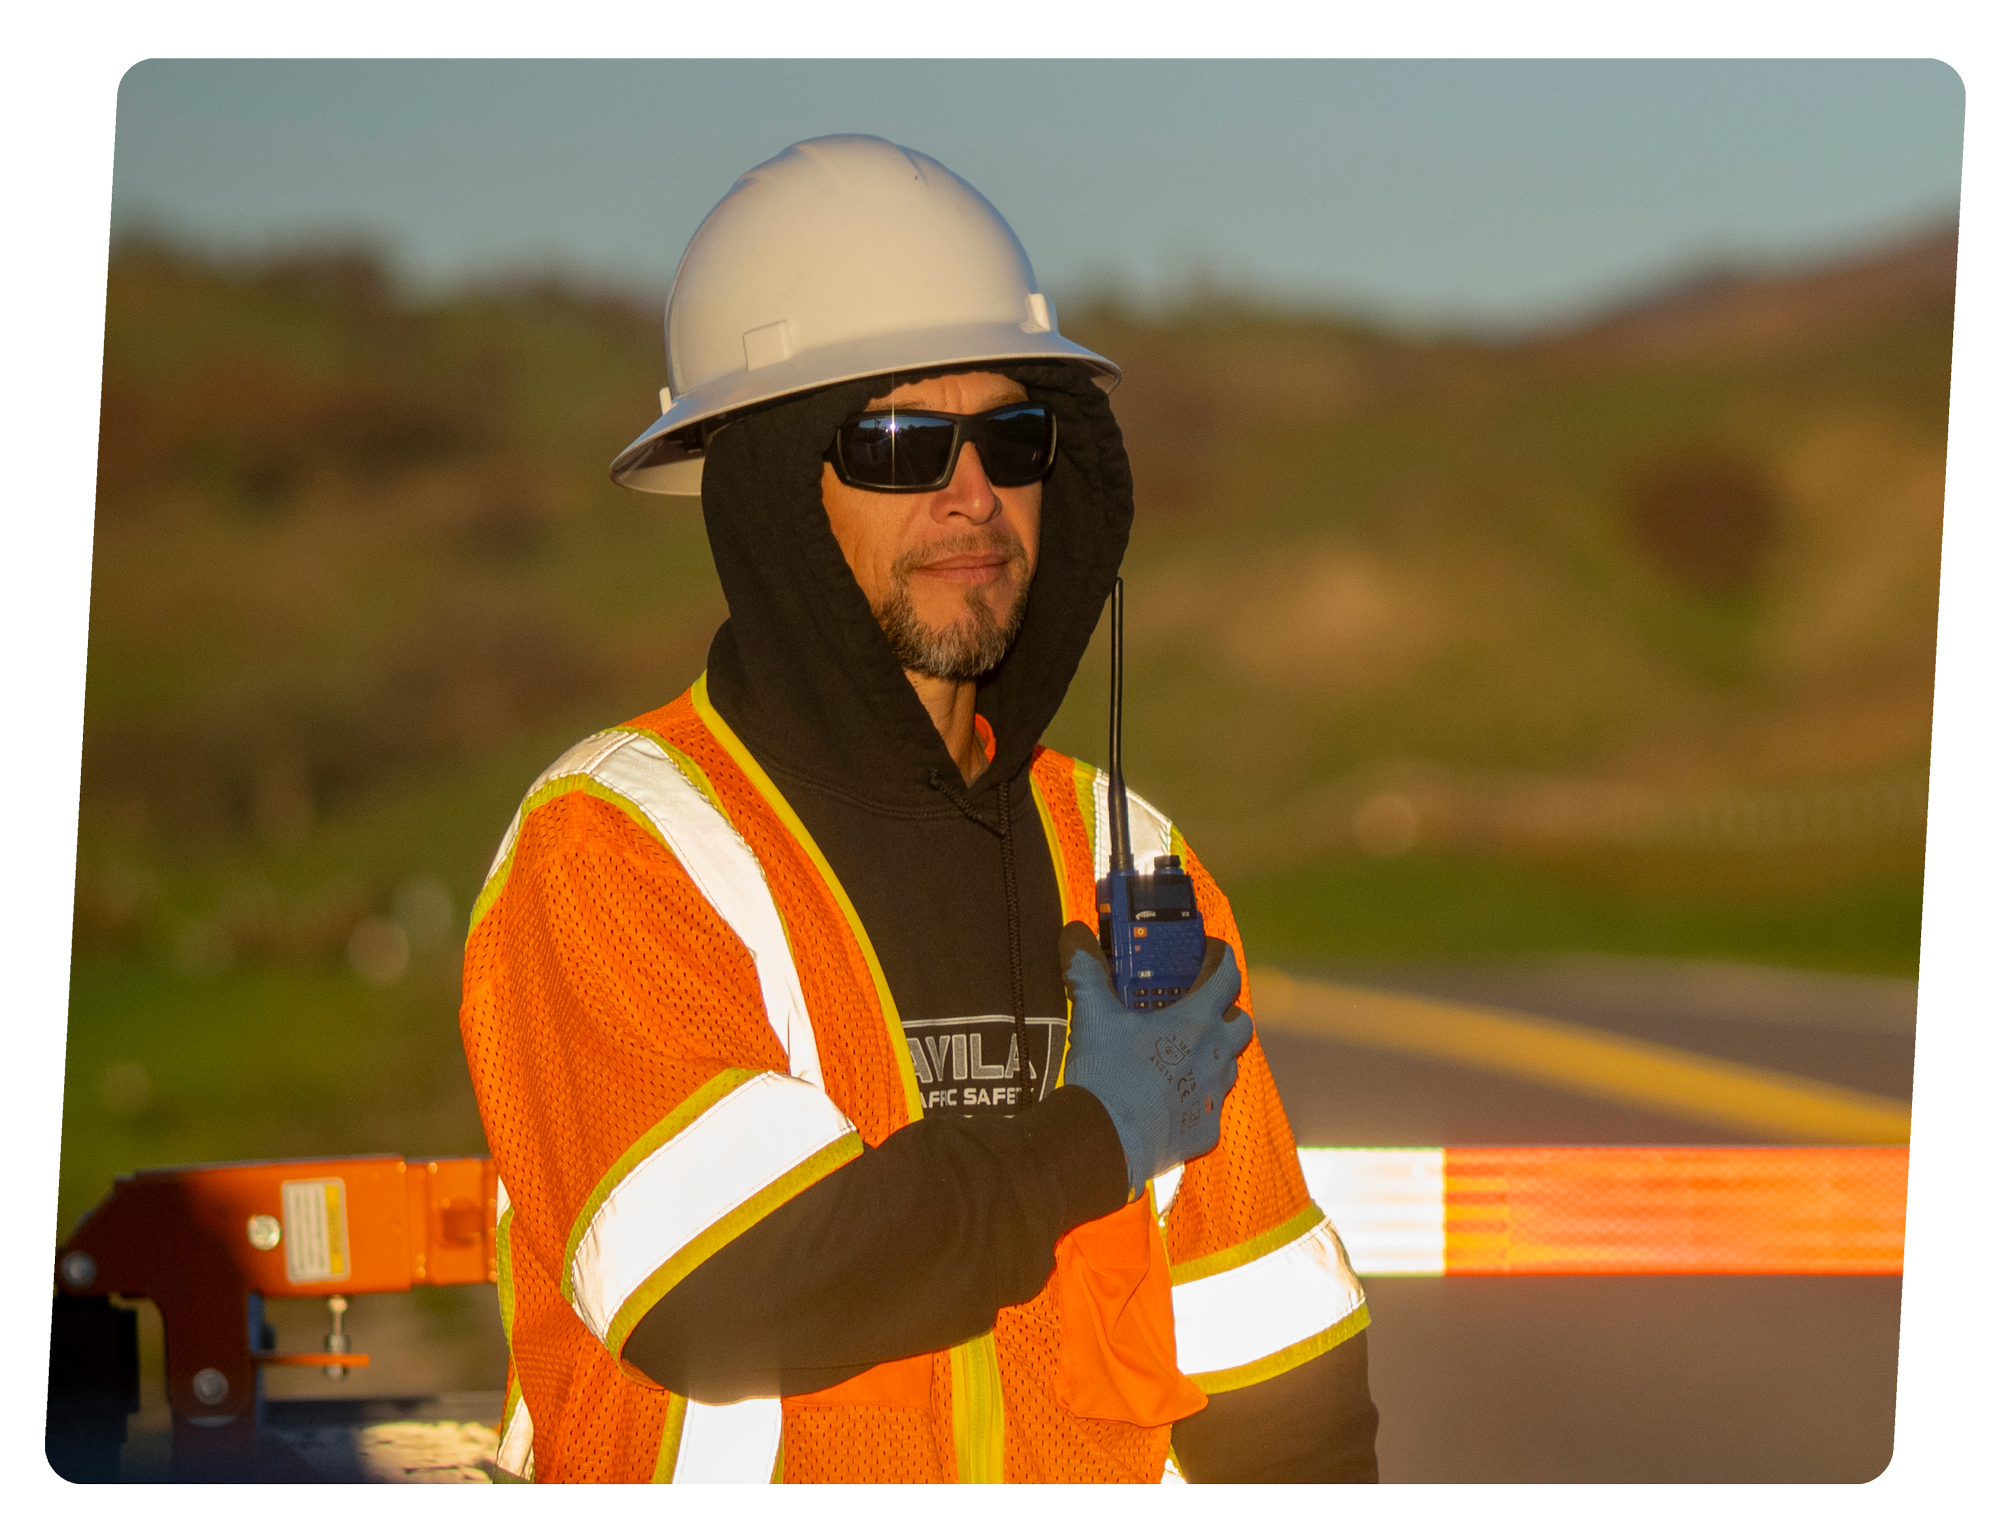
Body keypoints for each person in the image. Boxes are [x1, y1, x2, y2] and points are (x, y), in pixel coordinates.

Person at [460, 135, 1378, 1486]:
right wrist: (1092, 1140)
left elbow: (1274, 1361)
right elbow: (730, 1287)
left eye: (1012, 436)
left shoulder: (1126, 858)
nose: (973, 495)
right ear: (774, 493)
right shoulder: (617, 846)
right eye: (898, 443)